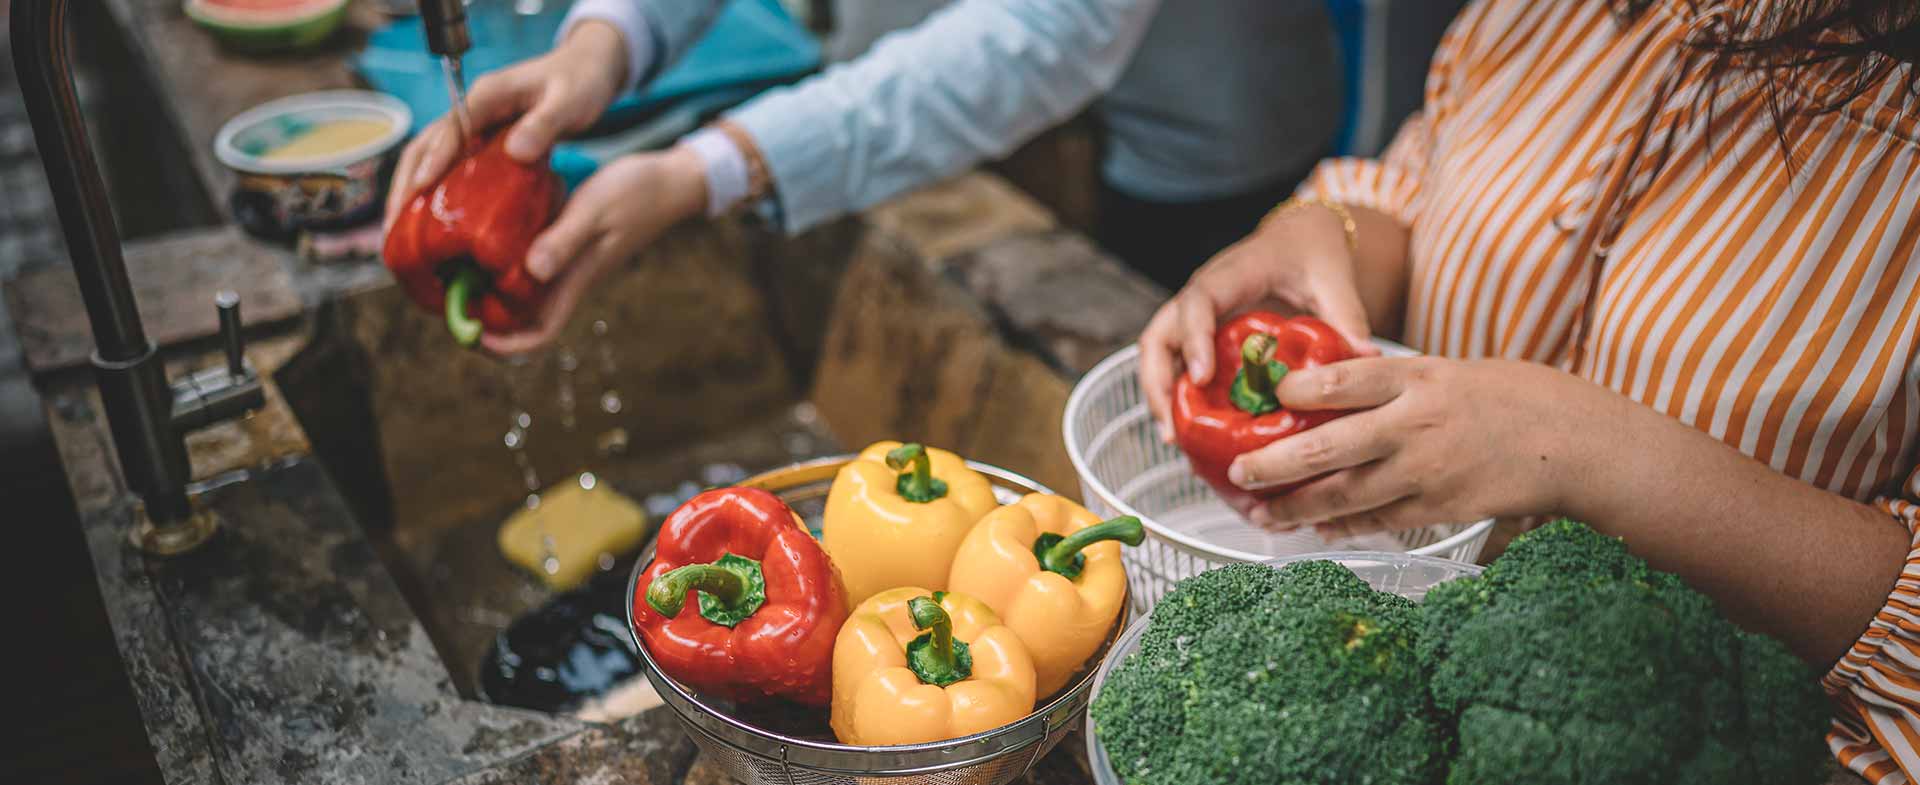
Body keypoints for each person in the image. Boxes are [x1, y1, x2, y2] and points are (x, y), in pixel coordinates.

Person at [1137, 0, 1920, 778]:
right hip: (1390, 646)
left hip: (1661, 740)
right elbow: (1414, 189)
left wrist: (1588, 450)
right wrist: (1326, 236)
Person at [385, 0, 1344, 354]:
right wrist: (608, 40)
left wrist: (706, 171)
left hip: (1200, 121)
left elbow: (1042, 36)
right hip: (916, 62)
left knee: (1174, 355)